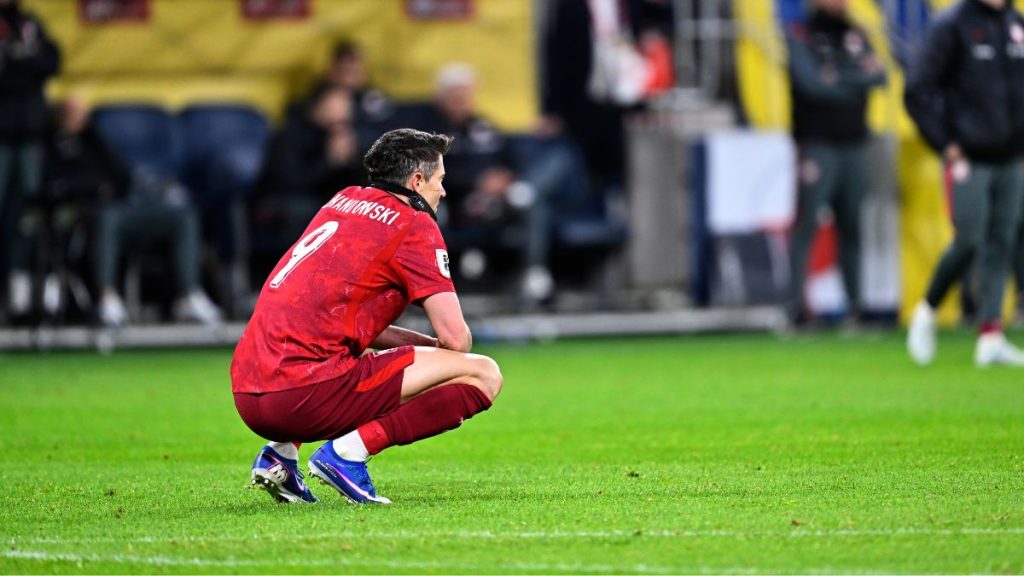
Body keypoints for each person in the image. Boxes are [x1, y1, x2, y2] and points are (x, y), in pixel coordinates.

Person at [231, 128, 502, 505]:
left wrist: (426, 352)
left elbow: (335, 317)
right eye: (440, 180)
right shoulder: (414, 225)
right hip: (300, 396)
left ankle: (281, 455)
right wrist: (441, 356)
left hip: (247, 390)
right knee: (483, 372)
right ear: (417, 180)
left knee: (351, 351)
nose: (443, 191)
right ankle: (347, 455)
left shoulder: (343, 201)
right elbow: (457, 340)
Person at [905, 0, 1024, 367]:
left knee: (1002, 240)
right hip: (969, 156)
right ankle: (927, 310)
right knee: (970, 238)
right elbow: (918, 89)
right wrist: (945, 142)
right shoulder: (952, 24)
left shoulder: (1014, 22)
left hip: (1011, 155)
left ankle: (991, 333)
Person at [44, 95, 222, 327]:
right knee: (107, 218)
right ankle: (107, 297)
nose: (78, 116)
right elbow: (55, 185)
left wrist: (92, 137)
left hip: (126, 205)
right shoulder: (51, 145)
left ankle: (190, 294)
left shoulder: (95, 139)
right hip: (93, 213)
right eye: (72, 111)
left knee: (184, 216)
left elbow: (122, 177)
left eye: (81, 111)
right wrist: (95, 191)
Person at [413, 63, 562, 306]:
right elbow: (426, 173)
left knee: (535, 199)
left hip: (500, 199)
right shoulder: (430, 133)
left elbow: (512, 159)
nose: (462, 99)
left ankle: (536, 273)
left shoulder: (483, 126)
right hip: (457, 202)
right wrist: (479, 182)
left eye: (466, 93)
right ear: (442, 97)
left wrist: (504, 178)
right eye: (456, 93)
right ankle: (464, 269)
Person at [784, 0, 887, 326]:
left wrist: (837, 78)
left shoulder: (857, 32)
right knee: (808, 225)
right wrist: (855, 80)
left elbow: (880, 77)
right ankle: (795, 307)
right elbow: (812, 85)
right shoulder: (802, 33)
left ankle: (855, 306)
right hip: (818, 144)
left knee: (852, 225)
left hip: (855, 142)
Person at [252, 84, 364, 264]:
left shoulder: (343, 135)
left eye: (347, 105)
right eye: (337, 104)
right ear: (320, 104)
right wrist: (329, 162)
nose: (343, 110)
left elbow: (356, 184)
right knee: (302, 210)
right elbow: (291, 182)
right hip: (286, 199)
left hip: (326, 200)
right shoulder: (293, 133)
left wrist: (351, 160)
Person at [0, 0, 60, 321]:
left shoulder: (29, 23)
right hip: (2, 138)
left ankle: (24, 291)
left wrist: (17, 64)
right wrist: (25, 65)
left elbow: (53, 60)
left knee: (31, 216)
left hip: (31, 138)